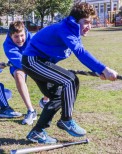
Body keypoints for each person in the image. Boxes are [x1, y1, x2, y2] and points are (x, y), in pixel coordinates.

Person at [22, 2, 118, 144]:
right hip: (33, 61)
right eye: (86, 22)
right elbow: (80, 52)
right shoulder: (65, 28)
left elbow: (80, 51)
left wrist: (98, 71)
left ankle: (37, 132)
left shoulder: (73, 31)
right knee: (70, 80)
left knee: (60, 95)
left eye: (91, 23)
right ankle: (66, 120)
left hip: (41, 62)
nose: (89, 27)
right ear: (76, 20)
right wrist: (103, 69)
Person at [3, 21, 49, 125]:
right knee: (18, 75)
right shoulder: (7, 45)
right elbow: (20, 61)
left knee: (47, 74)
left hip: (33, 61)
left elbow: (41, 51)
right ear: (11, 35)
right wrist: (34, 68)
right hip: (18, 63)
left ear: (25, 32)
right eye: (16, 37)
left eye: (22, 35)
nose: (20, 39)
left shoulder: (32, 38)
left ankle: (45, 101)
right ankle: (31, 111)